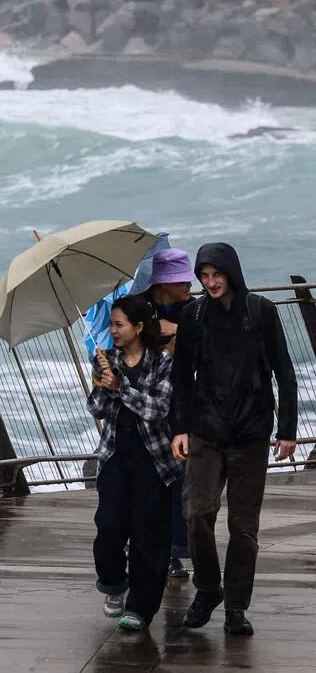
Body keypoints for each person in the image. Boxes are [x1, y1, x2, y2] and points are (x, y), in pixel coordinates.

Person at [171, 243, 298, 637]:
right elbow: (180, 376)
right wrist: (179, 427)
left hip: (251, 435)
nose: (210, 283)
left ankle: (236, 608)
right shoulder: (193, 315)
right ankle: (209, 590)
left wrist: (287, 431)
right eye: (204, 276)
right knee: (197, 515)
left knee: (244, 528)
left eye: (216, 275)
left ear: (231, 272)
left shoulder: (261, 312)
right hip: (206, 431)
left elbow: (285, 371)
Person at [88, 294, 180, 633]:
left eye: (119, 324)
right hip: (114, 457)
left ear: (139, 327)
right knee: (109, 527)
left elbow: (158, 409)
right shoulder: (105, 360)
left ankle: (141, 608)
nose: (112, 330)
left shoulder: (162, 362)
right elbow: (96, 408)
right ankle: (113, 585)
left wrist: (121, 386)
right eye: (110, 324)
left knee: (149, 537)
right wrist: (102, 381)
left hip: (153, 461)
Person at [143, 248, 196, 580]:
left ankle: (178, 550)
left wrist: (176, 335)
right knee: (153, 481)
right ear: (164, 282)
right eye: (183, 278)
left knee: (182, 478)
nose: (191, 283)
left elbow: (199, 347)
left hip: (184, 401)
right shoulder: (140, 310)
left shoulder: (193, 309)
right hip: (150, 403)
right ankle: (159, 550)